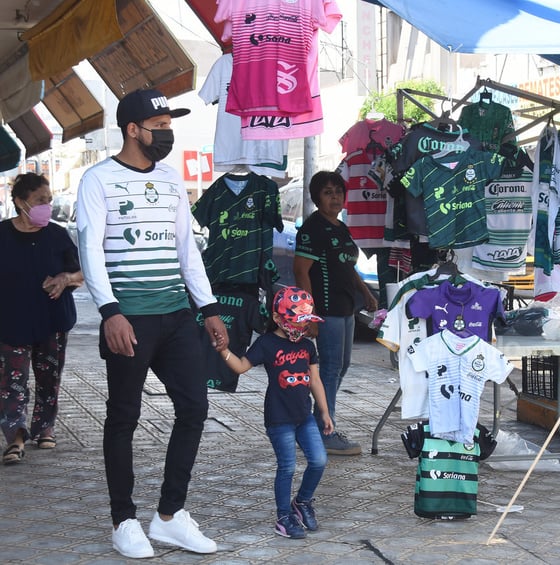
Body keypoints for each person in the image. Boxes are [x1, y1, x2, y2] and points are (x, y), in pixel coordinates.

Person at [76, 88, 230, 559]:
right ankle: (123, 520)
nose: (167, 132)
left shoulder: (169, 179)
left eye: (169, 124)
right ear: (133, 130)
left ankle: (169, 516)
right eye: (159, 125)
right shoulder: (97, 180)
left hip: (176, 315)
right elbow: (91, 250)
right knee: (124, 417)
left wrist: (207, 309)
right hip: (129, 317)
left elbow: (186, 248)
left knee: (195, 408)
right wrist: (110, 312)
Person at [220, 286, 332, 538]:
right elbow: (240, 367)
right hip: (279, 418)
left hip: (305, 416)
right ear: (278, 318)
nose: (302, 328)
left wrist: (324, 412)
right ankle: (284, 517)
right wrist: (223, 350)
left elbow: (315, 381)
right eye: (296, 321)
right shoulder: (266, 343)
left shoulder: (307, 345)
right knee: (287, 467)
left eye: (305, 322)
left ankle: (302, 502)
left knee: (319, 460)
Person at [1, 173, 83, 465]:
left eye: (49, 201)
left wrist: (65, 278)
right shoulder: (2, 235)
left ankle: (44, 427)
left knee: (50, 380)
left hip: (53, 322)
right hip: (11, 324)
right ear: (20, 202)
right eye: (39, 201)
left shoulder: (57, 235)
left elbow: (82, 275)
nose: (46, 207)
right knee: (12, 383)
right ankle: (16, 438)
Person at [293, 171, 377, 456]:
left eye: (338, 192)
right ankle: (323, 432)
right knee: (329, 369)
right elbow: (301, 271)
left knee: (341, 367)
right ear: (317, 197)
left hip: (345, 308)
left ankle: (318, 421)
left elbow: (347, 265)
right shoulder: (311, 229)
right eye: (328, 192)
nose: (335, 197)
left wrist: (365, 292)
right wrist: (309, 314)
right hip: (325, 310)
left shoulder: (341, 227)